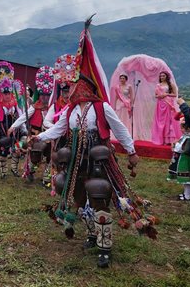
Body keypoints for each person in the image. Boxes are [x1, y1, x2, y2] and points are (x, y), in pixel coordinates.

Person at [34, 17, 151, 268]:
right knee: (78, 196)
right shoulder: (70, 111)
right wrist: (39, 137)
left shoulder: (102, 107)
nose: (71, 90)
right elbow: (58, 129)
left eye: (75, 86)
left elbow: (119, 129)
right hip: (76, 158)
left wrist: (131, 151)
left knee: (99, 195)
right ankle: (90, 234)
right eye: (70, 87)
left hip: (99, 157)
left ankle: (105, 246)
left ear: (85, 87)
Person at [8, 66, 55, 185]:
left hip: (50, 137)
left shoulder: (53, 108)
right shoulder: (34, 107)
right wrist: (13, 126)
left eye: (47, 95)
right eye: (42, 95)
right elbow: (24, 117)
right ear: (39, 95)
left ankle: (47, 178)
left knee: (50, 156)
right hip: (36, 136)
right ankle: (29, 171)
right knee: (35, 156)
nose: (45, 97)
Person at [0, 61, 22, 178]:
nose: (7, 96)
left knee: (16, 150)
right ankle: (3, 172)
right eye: (5, 94)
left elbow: (21, 115)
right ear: (1, 94)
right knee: (3, 151)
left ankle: (14, 169)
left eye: (9, 93)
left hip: (14, 131)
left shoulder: (15, 104)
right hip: (2, 131)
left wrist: (23, 128)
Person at [167, 120, 190, 200]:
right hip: (183, 159)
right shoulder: (185, 137)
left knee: (186, 178)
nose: (181, 129)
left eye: (183, 128)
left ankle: (187, 196)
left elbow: (182, 149)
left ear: (188, 129)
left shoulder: (188, 138)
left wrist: (174, 145)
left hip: (186, 160)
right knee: (188, 177)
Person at [151, 71, 181, 145]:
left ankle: (168, 139)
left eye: (163, 76)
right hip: (160, 104)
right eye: (161, 76)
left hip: (168, 104)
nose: (162, 77)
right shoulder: (158, 85)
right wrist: (160, 96)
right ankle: (161, 139)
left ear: (167, 76)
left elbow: (175, 94)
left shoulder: (171, 85)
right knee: (160, 121)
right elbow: (155, 95)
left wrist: (166, 94)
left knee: (168, 120)